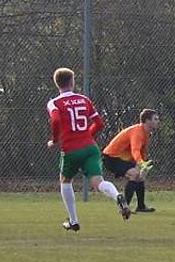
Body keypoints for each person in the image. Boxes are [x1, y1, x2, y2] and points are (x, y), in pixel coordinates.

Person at [47, 68, 130, 231]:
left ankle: (73, 221)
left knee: (65, 180)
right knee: (98, 182)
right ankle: (117, 196)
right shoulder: (84, 99)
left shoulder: (54, 103)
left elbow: (55, 120)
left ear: (57, 84)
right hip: (90, 147)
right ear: (72, 82)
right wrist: (85, 135)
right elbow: (99, 123)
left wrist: (55, 140)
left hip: (71, 149)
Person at [103, 109, 159, 214]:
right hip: (111, 158)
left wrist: (142, 165)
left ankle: (141, 206)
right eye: (155, 119)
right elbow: (135, 150)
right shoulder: (138, 132)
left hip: (122, 159)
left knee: (140, 176)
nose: (158, 121)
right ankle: (124, 207)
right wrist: (141, 163)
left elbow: (142, 152)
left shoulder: (147, 133)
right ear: (147, 121)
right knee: (134, 174)